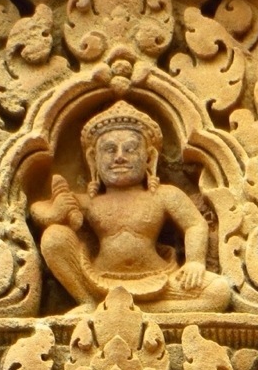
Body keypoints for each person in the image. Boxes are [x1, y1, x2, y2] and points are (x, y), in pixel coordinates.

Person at [31, 100, 231, 312]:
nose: (120, 157)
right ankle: (88, 302)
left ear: (149, 158)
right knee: (54, 237)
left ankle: (129, 310)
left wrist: (195, 262)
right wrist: (56, 211)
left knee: (218, 291)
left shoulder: (163, 195)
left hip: (159, 279)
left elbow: (194, 224)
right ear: (93, 159)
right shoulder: (89, 202)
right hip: (98, 281)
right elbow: (36, 210)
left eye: (130, 149)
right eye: (109, 150)